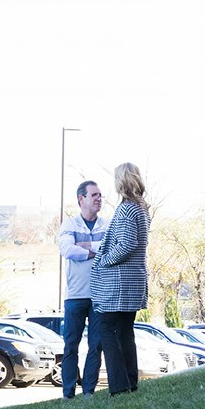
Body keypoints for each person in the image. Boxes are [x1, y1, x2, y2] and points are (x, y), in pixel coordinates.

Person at [91, 163, 151, 395]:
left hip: (120, 280)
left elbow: (127, 243)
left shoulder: (127, 209)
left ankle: (119, 385)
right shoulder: (142, 208)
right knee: (126, 330)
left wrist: (103, 260)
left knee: (108, 329)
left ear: (121, 181)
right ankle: (130, 381)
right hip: (135, 277)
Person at [57, 180, 106, 398]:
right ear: (81, 199)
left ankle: (89, 392)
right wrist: (96, 250)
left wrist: (87, 246)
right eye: (94, 195)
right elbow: (67, 250)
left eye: (100, 195)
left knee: (96, 346)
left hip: (99, 294)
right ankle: (68, 393)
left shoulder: (107, 225)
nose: (98, 199)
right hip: (75, 295)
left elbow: (111, 249)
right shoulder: (69, 224)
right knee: (71, 345)